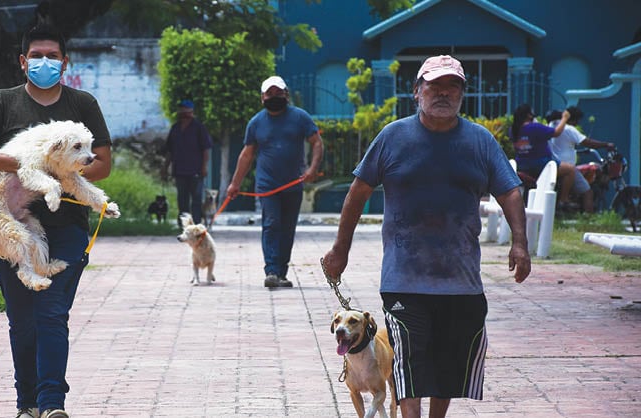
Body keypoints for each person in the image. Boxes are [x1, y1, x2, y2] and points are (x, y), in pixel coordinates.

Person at [321, 55, 531, 418]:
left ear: (462, 95)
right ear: (417, 92)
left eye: (452, 87)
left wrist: (520, 242)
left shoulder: (479, 141)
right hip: (404, 278)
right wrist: (341, 249)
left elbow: (510, 191)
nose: (443, 94)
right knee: (408, 363)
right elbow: (358, 192)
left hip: (461, 280)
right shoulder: (392, 137)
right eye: (434, 86)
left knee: (447, 366)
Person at [0, 25, 111, 418]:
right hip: (9, 221)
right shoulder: (3, 102)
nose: (45, 63)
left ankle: (51, 404)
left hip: (67, 227)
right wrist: (27, 165)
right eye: (37, 56)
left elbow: (103, 165)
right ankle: (26, 403)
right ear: (24, 62)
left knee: (51, 312)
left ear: (65, 62)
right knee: (22, 319)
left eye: (53, 56)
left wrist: (66, 174)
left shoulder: (83, 105)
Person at [226, 75, 323, 288]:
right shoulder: (256, 123)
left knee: (287, 228)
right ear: (262, 97)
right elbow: (247, 155)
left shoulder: (300, 118)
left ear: (286, 94)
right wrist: (235, 184)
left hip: (293, 183)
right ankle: (271, 270)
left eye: (278, 92)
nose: (274, 96)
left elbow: (317, 142)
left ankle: (281, 272)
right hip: (267, 186)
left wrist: (312, 169)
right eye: (270, 93)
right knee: (271, 224)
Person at [547, 106, 615, 212]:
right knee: (588, 192)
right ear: (573, 119)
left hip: (552, 165)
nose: (577, 123)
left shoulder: (551, 126)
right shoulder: (569, 129)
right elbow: (587, 142)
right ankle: (587, 218)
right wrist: (606, 144)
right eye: (577, 120)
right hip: (567, 167)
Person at [510, 104, 577, 210]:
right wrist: (565, 118)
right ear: (529, 115)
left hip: (522, 165)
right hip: (541, 164)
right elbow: (556, 132)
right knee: (570, 170)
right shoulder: (535, 127)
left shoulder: (514, 130)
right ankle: (563, 200)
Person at [162, 99, 213, 224]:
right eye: (181, 109)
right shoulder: (175, 128)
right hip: (179, 170)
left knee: (196, 200)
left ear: (191, 111)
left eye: (186, 110)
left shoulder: (199, 128)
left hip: (195, 170)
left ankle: (196, 225)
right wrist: (165, 167)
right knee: (182, 200)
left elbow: (206, 149)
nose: (183, 112)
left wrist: (204, 167)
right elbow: (169, 150)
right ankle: (183, 225)